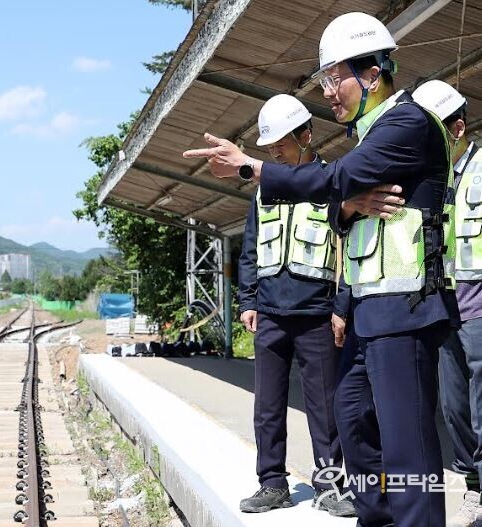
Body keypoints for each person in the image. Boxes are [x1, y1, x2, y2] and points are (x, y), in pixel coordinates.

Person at [183, 12, 457, 527]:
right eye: (324, 80)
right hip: (368, 314)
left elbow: (340, 178)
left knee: (409, 446)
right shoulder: (371, 133)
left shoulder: (407, 121)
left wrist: (253, 166)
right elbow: (338, 207)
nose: (328, 92)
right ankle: (377, 518)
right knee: (352, 421)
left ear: (372, 72)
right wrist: (351, 205)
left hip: (406, 310)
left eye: (335, 78)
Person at [237, 94, 354, 517]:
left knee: (325, 408)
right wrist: (247, 300)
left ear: (307, 135)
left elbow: (350, 250)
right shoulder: (264, 190)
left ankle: (330, 487)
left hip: (317, 316)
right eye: (269, 149)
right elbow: (249, 248)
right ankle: (272, 484)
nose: (275, 154)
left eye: (281, 145)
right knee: (267, 406)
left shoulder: (333, 183)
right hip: (269, 313)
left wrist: (341, 306)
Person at [414, 79, 482, 527]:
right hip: (445, 308)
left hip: (480, 307)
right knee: (454, 408)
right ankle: (473, 486)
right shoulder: (433, 182)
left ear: (456, 128)